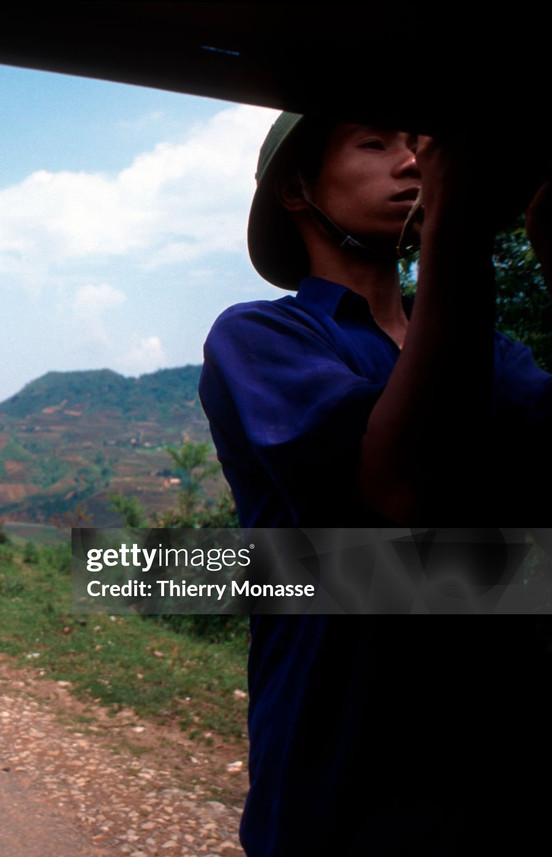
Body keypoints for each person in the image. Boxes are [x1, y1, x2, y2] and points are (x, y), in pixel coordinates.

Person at [198, 113, 552, 855]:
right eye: (376, 143)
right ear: (298, 189)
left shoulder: (498, 357)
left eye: (419, 145)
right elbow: (399, 491)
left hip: (494, 789)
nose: (412, 162)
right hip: (335, 788)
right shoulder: (261, 338)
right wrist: (455, 227)